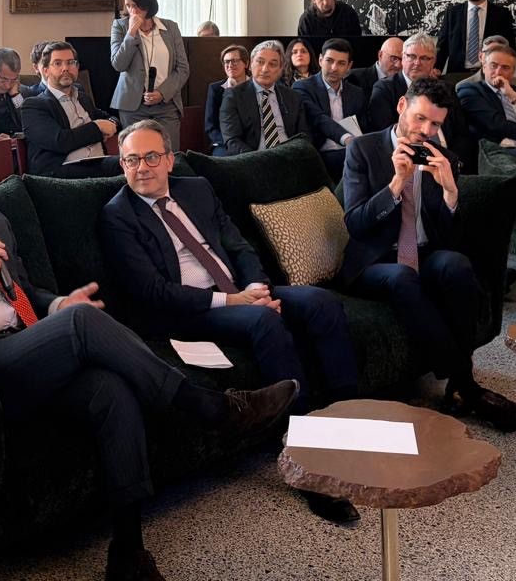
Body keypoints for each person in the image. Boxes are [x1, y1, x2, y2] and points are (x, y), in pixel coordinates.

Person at [0, 116, 297, 581]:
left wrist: (57, 305)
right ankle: (210, 408)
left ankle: (128, 550)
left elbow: (23, 291)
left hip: (25, 350)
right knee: (82, 322)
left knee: (111, 390)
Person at [98, 120, 361, 526]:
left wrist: (255, 287)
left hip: (243, 291)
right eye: (131, 160)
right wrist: (236, 301)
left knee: (320, 304)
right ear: (122, 165)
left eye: (151, 157)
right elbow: (153, 292)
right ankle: (308, 461)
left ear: (169, 159)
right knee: (264, 323)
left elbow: (239, 245)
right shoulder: (117, 216)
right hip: (190, 312)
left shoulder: (197, 189)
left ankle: (350, 418)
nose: (142, 167)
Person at [340, 79, 516, 432]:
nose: (426, 130)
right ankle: (465, 382)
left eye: (435, 124)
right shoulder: (363, 149)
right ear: (401, 107)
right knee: (401, 277)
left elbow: (451, 239)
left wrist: (451, 193)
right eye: (420, 118)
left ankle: (459, 384)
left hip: (424, 254)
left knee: (456, 265)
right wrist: (396, 183)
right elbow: (356, 224)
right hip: (375, 261)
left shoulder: (445, 158)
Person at [362, 34, 475, 161]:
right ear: (403, 57)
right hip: (405, 157)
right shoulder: (385, 88)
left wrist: (454, 161)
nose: (417, 63)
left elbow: (461, 133)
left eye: (424, 58)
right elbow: (386, 135)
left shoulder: (446, 89)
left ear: (433, 61)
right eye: (411, 56)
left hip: (447, 157)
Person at [19, 43, 122, 177]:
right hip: (60, 171)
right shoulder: (34, 105)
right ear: (45, 70)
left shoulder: (83, 98)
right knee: (128, 166)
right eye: (57, 63)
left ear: (77, 67)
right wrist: (98, 127)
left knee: (135, 162)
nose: (65, 68)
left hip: (98, 160)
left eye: (70, 62)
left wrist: (112, 123)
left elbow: (109, 118)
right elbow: (61, 142)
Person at [110, 0, 190, 150]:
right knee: (137, 153)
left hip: (166, 104)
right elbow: (119, 64)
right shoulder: (120, 27)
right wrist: (131, 33)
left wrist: (162, 93)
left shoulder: (170, 28)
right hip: (133, 106)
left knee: (170, 154)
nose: (132, 11)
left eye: (135, 5)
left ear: (147, 4)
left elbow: (183, 68)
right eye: (128, 6)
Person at [219, 40, 309, 156]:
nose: (265, 69)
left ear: (280, 69)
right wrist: (259, 160)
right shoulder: (233, 96)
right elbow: (232, 141)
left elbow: (304, 136)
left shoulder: (293, 97)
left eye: (273, 64)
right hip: (252, 159)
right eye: (260, 62)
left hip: (288, 157)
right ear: (250, 64)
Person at [294, 38, 365, 179]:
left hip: (352, 153)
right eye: (329, 61)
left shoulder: (356, 93)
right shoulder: (303, 87)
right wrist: (347, 139)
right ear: (320, 60)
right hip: (320, 154)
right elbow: (318, 119)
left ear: (349, 66)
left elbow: (365, 126)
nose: (334, 68)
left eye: (341, 63)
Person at [435, 0, 515, 74]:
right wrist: (436, 68)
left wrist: (505, 71)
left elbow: (511, 48)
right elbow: (442, 46)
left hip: (489, 74)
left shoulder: (501, 14)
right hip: (456, 74)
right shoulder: (452, 13)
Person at [455, 44, 516, 146]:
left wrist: (513, 96)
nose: (498, 72)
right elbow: (494, 123)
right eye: (493, 66)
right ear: (484, 67)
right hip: (495, 148)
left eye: (505, 68)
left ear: (513, 72)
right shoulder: (469, 90)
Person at [204, 44, 249, 155]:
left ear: (246, 63)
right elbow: (211, 126)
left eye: (234, 61)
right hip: (223, 143)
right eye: (226, 62)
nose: (230, 65)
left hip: (250, 142)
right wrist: (229, 142)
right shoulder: (215, 89)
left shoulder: (255, 87)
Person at [297, 0, 362, 44]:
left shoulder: (348, 13)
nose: (325, 2)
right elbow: (303, 46)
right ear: (314, 0)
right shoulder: (306, 19)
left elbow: (357, 42)